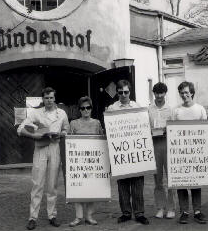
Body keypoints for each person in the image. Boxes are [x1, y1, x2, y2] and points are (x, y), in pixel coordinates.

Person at [17, 87, 69, 230]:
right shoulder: (36, 113)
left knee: (52, 184)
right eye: (46, 98)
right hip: (40, 148)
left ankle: (52, 215)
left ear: (55, 98)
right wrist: (34, 136)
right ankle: (33, 217)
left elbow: (66, 129)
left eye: (51, 98)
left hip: (55, 147)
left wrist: (61, 134)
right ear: (43, 99)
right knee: (37, 183)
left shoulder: (62, 113)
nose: (49, 100)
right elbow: (20, 129)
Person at [107, 79, 149, 225]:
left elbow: (144, 127)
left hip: (135, 150)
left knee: (138, 184)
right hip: (120, 151)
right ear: (117, 93)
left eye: (126, 92)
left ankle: (139, 213)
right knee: (123, 184)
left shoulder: (137, 107)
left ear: (130, 92)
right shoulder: (112, 109)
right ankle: (125, 213)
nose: (124, 95)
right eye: (120, 92)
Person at [173, 81, 208, 225]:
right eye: (182, 93)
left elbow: (205, 132)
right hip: (180, 153)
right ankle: (184, 212)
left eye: (187, 92)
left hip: (197, 152)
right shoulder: (176, 111)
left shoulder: (200, 109)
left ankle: (197, 211)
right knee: (181, 183)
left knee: (196, 182)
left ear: (192, 93)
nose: (184, 95)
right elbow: (173, 132)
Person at [68, 96, 103, 227]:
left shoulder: (97, 123)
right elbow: (69, 141)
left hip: (93, 161)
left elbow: (101, 140)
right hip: (78, 161)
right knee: (78, 187)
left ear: (91, 108)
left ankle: (89, 216)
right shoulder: (74, 124)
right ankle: (78, 216)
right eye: (83, 108)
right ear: (79, 110)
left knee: (91, 188)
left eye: (88, 107)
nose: (86, 110)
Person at [148, 82, 176, 219]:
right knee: (157, 179)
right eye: (157, 93)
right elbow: (145, 127)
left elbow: (175, 129)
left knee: (171, 178)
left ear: (165, 93)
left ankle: (171, 208)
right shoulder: (149, 110)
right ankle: (160, 207)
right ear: (154, 93)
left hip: (167, 144)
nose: (159, 95)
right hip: (154, 145)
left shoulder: (171, 110)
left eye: (162, 93)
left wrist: (167, 130)